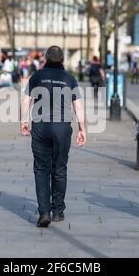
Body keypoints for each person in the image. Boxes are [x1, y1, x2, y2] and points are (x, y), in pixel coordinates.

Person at [21, 45, 87, 228]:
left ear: (45, 59)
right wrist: (82, 129)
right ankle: (58, 210)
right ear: (62, 60)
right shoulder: (69, 78)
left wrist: (23, 122)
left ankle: (44, 212)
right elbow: (78, 106)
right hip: (62, 127)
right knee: (59, 168)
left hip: (41, 126)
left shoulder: (37, 76)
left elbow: (26, 100)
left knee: (41, 169)